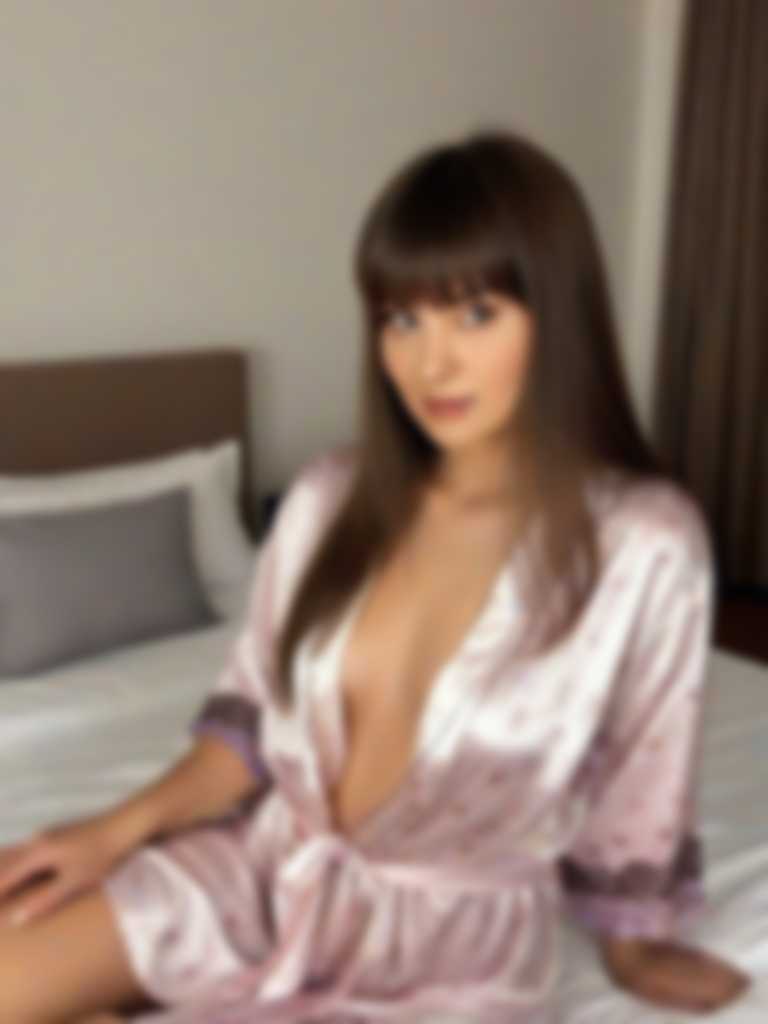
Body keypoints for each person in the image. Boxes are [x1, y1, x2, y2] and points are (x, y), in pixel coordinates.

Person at [0, 128, 751, 1024]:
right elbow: (248, 726)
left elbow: (644, 769)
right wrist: (110, 834)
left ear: (558, 314)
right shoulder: (328, 500)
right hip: (265, 872)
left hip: (447, 955)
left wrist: (634, 943)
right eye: (401, 319)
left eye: (476, 314)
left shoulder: (642, 541)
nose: (431, 363)